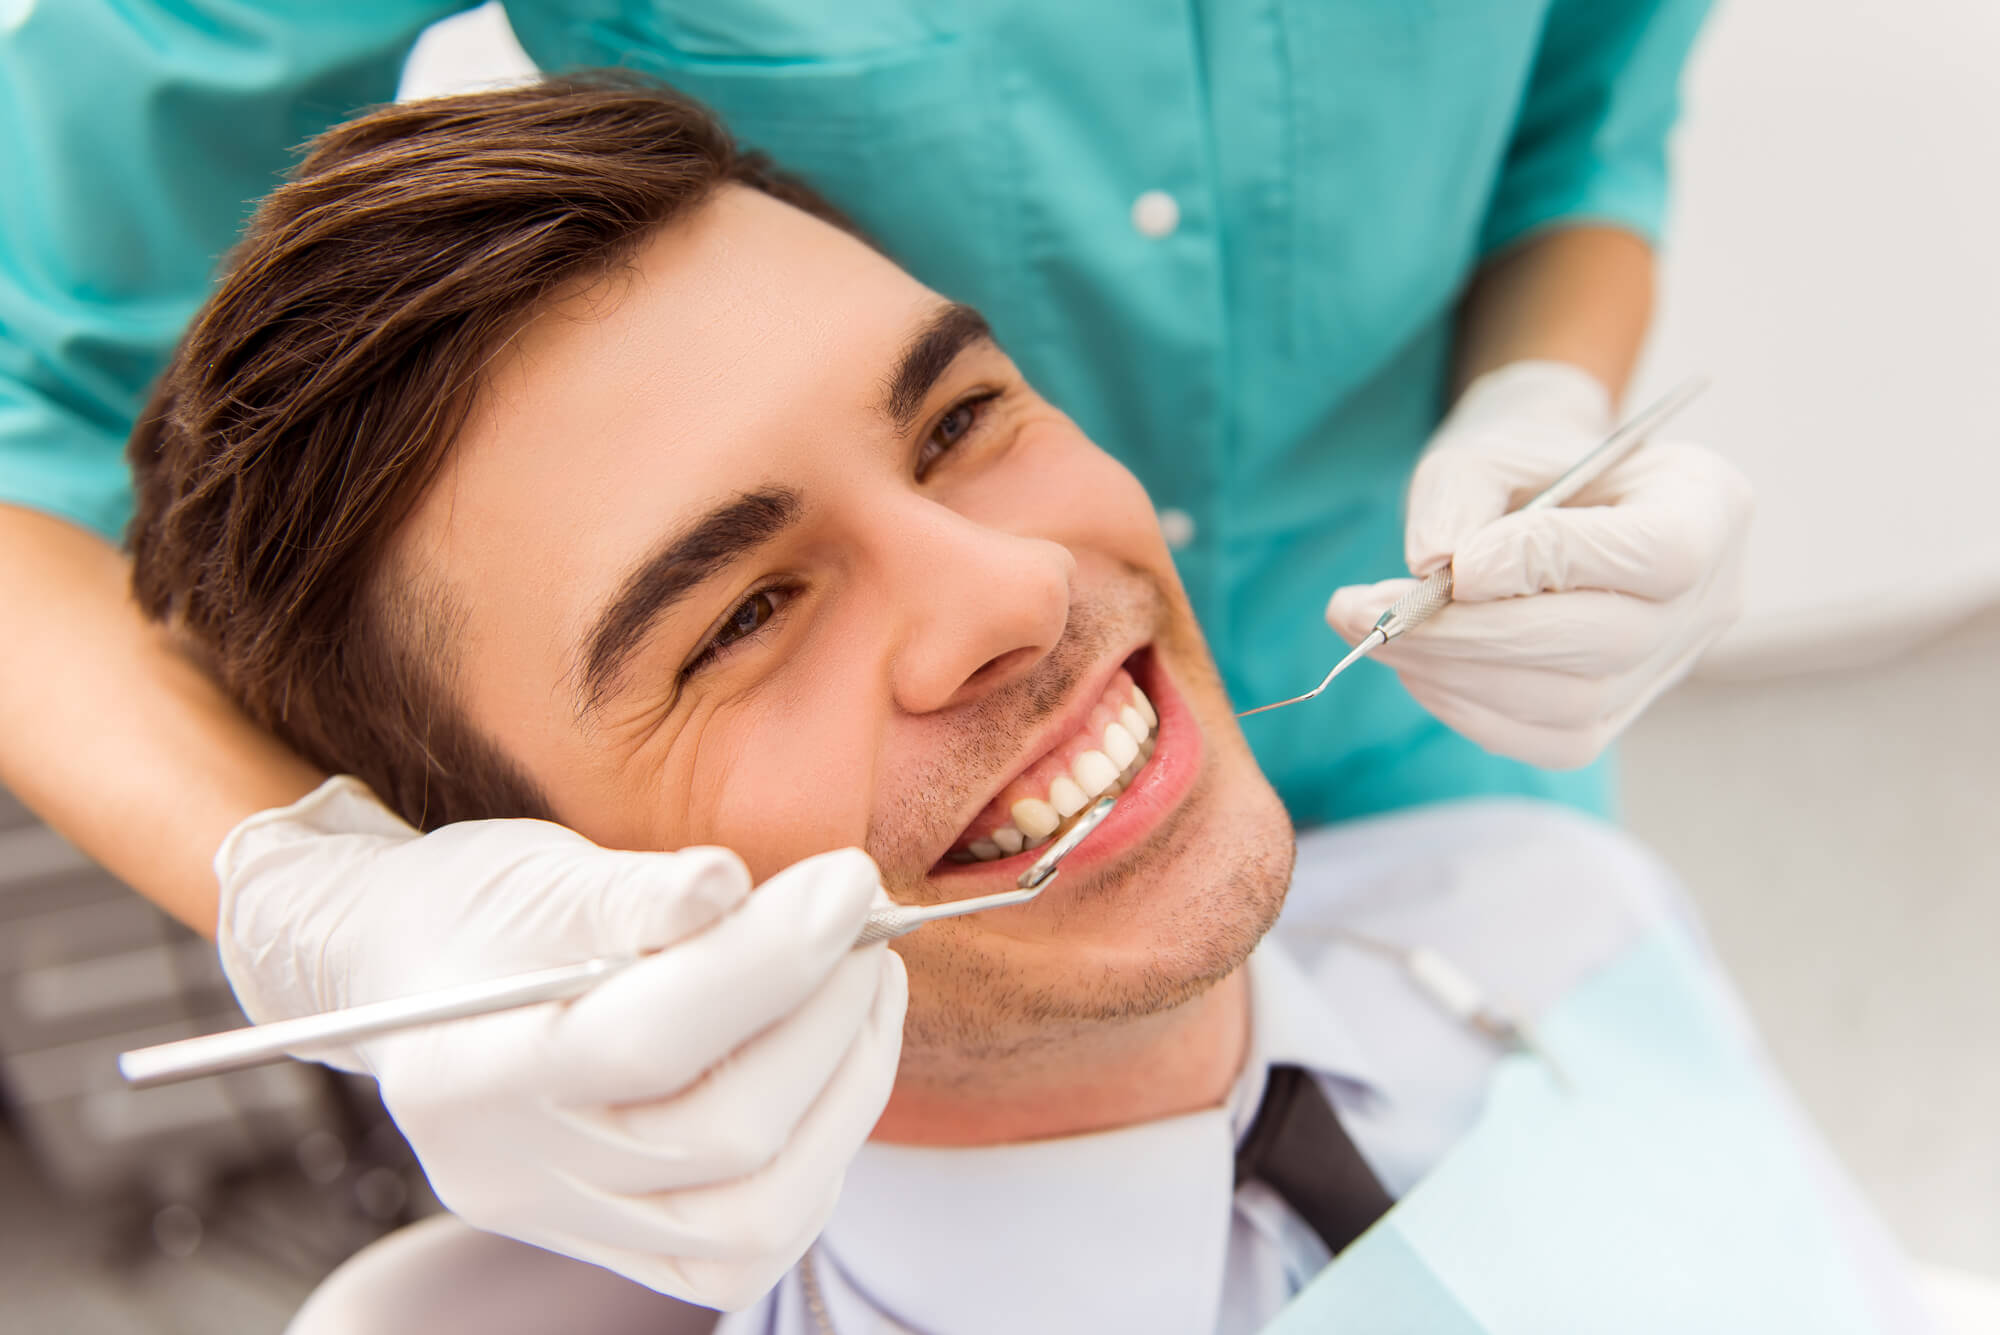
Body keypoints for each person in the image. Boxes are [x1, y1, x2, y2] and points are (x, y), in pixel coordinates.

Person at [0, 0, 1748, 1310]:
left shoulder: (1560, 924)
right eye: (747, 610)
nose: (1008, 592)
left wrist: (1543, 396)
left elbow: (1590, 103)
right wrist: (338, 911)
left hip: (1408, 711)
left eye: (963, 415)